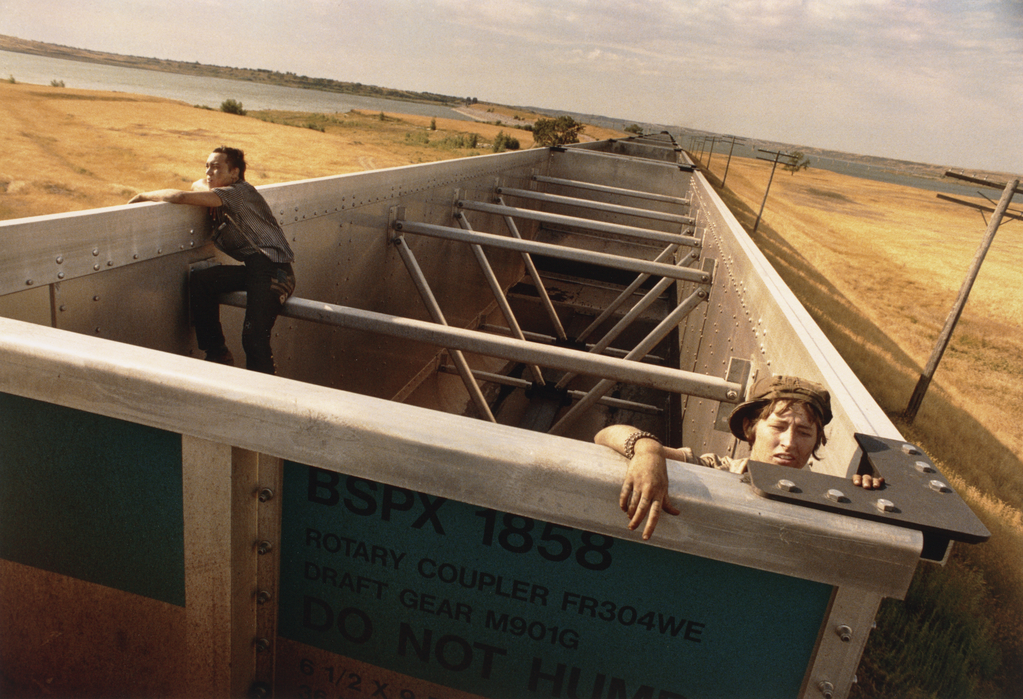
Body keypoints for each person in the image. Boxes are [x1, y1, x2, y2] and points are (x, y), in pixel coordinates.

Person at [595, 375, 885, 540]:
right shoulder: (715, 470)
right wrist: (648, 451)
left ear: (816, 441)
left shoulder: (828, 497)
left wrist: (865, 497)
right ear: (750, 428)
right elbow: (606, 434)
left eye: (804, 433)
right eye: (778, 427)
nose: (789, 442)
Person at [129, 146, 295, 374]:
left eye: (216, 167)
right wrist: (209, 191)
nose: (209, 172)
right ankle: (218, 353)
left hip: (276, 273)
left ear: (235, 173)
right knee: (202, 281)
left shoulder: (237, 192)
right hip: (256, 270)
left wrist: (143, 196)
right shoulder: (222, 192)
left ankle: (266, 391)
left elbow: (180, 196)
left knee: (254, 338)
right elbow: (198, 184)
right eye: (207, 166)